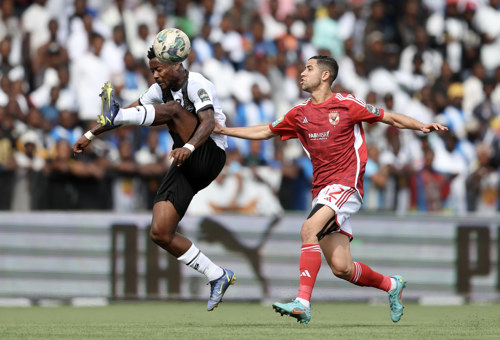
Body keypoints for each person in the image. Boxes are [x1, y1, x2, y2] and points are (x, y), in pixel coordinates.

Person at [214, 55, 448, 324]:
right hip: (323, 192)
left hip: (347, 185)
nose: (302, 73)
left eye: (309, 68)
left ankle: (302, 302)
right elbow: (266, 131)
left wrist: (420, 125)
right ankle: (392, 285)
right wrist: (225, 130)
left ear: (325, 76)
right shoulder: (299, 113)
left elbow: (389, 117)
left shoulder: (347, 104)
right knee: (342, 268)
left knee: (308, 229)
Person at [72, 34, 236, 311]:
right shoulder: (158, 90)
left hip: (208, 153)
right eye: (152, 71)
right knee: (160, 232)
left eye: (159, 69)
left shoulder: (197, 84)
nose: (155, 75)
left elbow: (208, 122)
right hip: (185, 161)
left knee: (171, 110)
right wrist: (91, 134)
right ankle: (216, 274)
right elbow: (129, 112)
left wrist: (190, 147)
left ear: (176, 65)